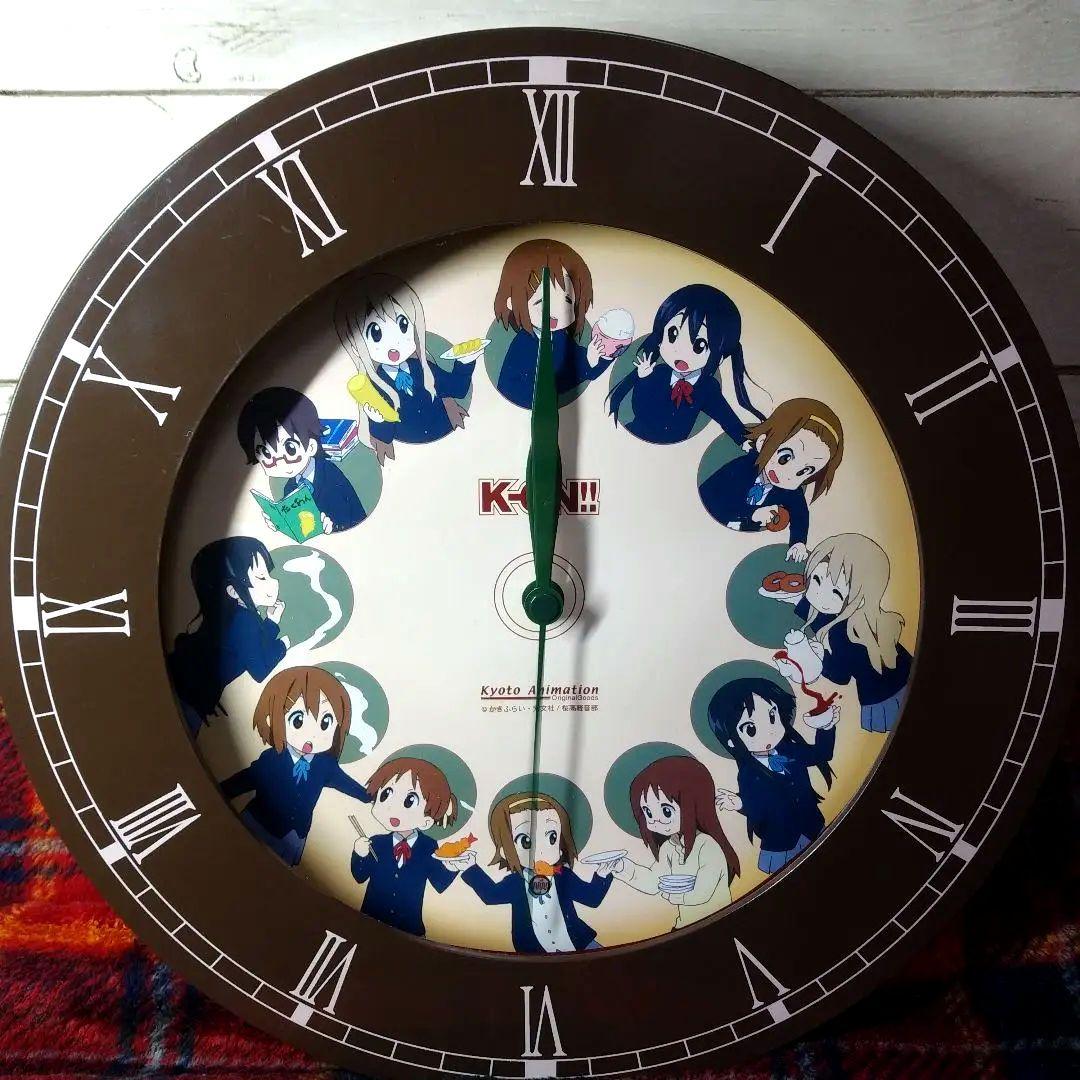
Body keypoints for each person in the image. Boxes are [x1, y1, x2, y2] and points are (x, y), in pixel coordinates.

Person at [220, 666, 371, 866]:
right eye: (298, 720)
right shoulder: (272, 758)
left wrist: (368, 796)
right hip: (258, 825)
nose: (311, 736)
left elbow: (346, 784)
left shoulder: (326, 765)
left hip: (293, 838)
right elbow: (247, 778)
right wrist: (218, 791)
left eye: (325, 723)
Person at [335, 272, 474, 464]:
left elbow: (456, 388)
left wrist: (465, 362)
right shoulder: (375, 385)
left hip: (450, 439)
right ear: (356, 346)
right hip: (413, 458)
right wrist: (377, 419)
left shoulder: (422, 368)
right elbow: (385, 437)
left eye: (403, 325)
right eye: (376, 333)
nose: (395, 343)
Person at [458, 792, 616, 953]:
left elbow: (591, 898)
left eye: (552, 837)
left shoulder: (563, 875)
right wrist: (470, 868)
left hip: (580, 944)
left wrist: (603, 874)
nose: (540, 851)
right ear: (506, 850)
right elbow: (491, 895)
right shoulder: (516, 882)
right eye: (525, 841)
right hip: (534, 951)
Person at [709, 677, 839, 874]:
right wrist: (741, 804)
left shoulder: (790, 750)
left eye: (772, 716)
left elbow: (821, 754)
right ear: (732, 742)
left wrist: (826, 726)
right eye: (751, 729)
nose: (768, 732)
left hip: (813, 827)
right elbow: (758, 810)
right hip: (780, 845)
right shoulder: (748, 774)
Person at [607, 284, 764, 444]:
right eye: (673, 334)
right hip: (636, 435)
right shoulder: (657, 372)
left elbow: (726, 418)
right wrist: (645, 380)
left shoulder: (707, 388)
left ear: (720, 357)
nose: (681, 351)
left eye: (700, 345)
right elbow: (639, 409)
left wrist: (745, 441)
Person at [167, 537, 287, 736]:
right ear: (232, 591)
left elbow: (252, 645)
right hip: (187, 699)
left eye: (268, 574)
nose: (274, 583)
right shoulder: (243, 620)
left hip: (186, 691)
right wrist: (283, 646)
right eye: (261, 577)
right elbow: (260, 669)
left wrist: (272, 621)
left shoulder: (236, 617)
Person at [698, 398, 844, 561]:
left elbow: (800, 514)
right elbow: (714, 501)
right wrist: (753, 514)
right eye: (785, 457)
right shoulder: (741, 468)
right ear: (762, 442)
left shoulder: (791, 492)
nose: (787, 474)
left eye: (804, 471)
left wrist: (798, 543)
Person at [608, 755, 739, 929]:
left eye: (666, 811)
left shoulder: (708, 846)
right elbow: (654, 881)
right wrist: (622, 867)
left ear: (694, 803)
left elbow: (703, 893)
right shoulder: (669, 848)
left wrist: (673, 896)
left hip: (718, 922)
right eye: (648, 812)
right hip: (685, 925)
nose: (656, 820)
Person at [351, 756, 472, 937]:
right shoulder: (377, 842)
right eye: (386, 795)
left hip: (409, 930)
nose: (394, 809)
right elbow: (360, 876)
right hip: (369, 922)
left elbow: (439, 883)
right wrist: (359, 853)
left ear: (428, 819)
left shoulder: (428, 846)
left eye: (409, 801)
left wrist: (453, 867)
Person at [490, 238, 616, 407]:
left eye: (568, 301)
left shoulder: (561, 337)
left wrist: (598, 358)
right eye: (540, 302)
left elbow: (586, 370)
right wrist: (584, 366)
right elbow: (515, 388)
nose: (554, 314)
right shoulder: (523, 344)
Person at [237, 385, 367, 533]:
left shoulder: (330, 475)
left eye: (290, 448)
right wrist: (281, 524)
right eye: (266, 453)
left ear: (311, 446)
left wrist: (333, 527)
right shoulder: (290, 487)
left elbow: (352, 517)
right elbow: (299, 525)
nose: (279, 461)